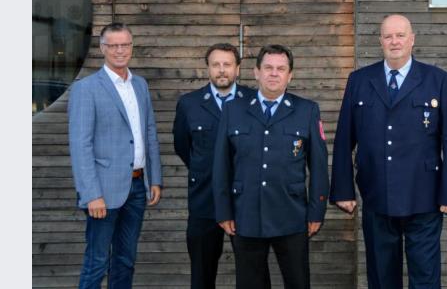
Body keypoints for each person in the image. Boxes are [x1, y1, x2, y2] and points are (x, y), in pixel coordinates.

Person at [329, 14, 447, 289]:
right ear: (380, 41)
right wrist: (343, 190)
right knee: (381, 278)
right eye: (388, 36)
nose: (394, 41)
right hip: (377, 194)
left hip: (424, 196)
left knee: (425, 278)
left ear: (412, 39)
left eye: (400, 35)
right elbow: (344, 138)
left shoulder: (437, 79)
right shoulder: (359, 80)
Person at [212, 44, 329, 289]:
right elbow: (221, 165)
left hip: (292, 215)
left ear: (290, 75)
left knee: (298, 282)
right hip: (246, 215)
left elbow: (318, 167)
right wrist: (223, 210)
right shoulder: (233, 109)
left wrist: (316, 211)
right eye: (268, 68)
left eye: (281, 69)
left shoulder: (307, 110)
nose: (274, 73)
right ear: (256, 72)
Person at [68, 22, 163, 289]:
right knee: (96, 261)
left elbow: (149, 132)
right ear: (102, 48)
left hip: (138, 185)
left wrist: (155, 178)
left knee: (126, 260)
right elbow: (80, 145)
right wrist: (91, 194)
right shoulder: (86, 88)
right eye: (113, 45)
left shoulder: (140, 85)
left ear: (131, 47)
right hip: (103, 191)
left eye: (125, 45)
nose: (120, 50)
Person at [173, 43, 256, 289]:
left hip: (245, 200)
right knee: (202, 274)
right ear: (207, 69)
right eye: (216, 65)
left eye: (227, 64)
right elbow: (183, 146)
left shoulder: (253, 100)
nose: (221, 70)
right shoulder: (189, 103)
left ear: (238, 68)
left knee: (252, 274)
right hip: (204, 199)